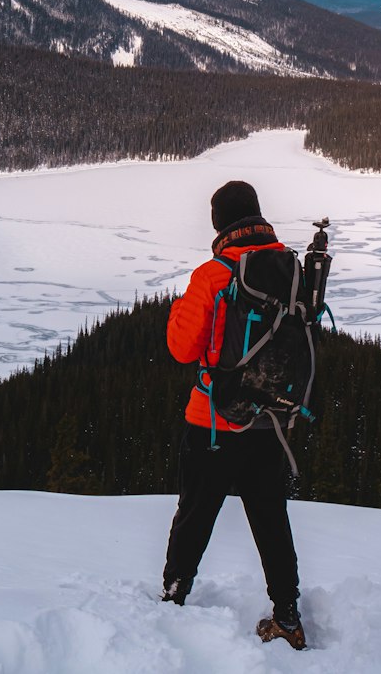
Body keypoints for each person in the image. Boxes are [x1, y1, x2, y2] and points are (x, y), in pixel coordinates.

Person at [161, 179, 305, 651]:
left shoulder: (214, 273)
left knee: (196, 511)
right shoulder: (289, 267)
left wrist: (178, 310)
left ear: (220, 223)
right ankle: (287, 615)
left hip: (214, 419)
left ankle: (173, 594)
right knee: (270, 518)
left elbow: (183, 349)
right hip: (272, 418)